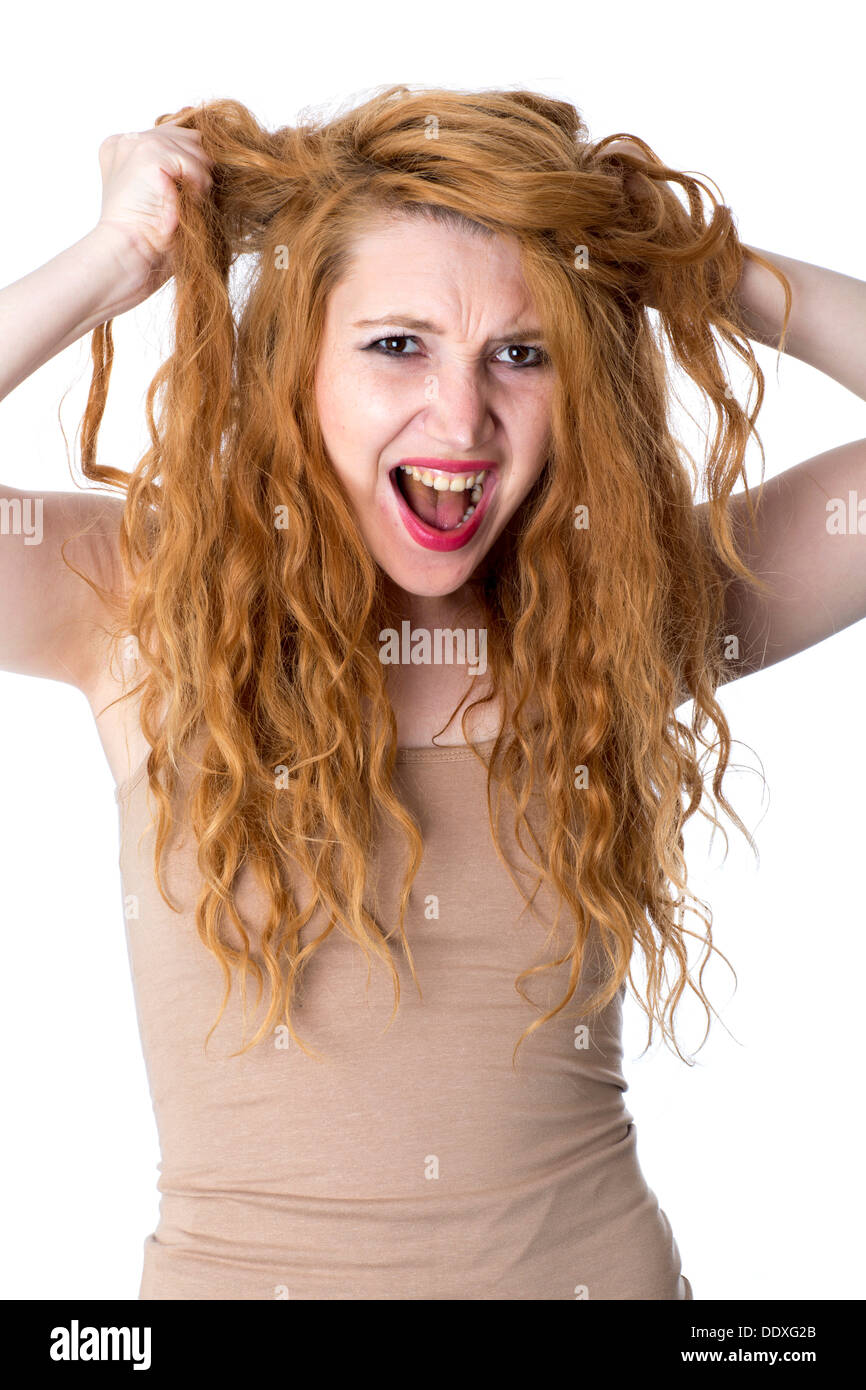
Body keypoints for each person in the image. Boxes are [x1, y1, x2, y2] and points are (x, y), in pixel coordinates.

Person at [1, 85, 863, 1301]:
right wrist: (118, 256)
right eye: (395, 344)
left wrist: (690, 264)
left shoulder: (621, 616)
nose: (460, 416)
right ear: (296, 360)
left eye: (519, 354)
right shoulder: (141, 600)